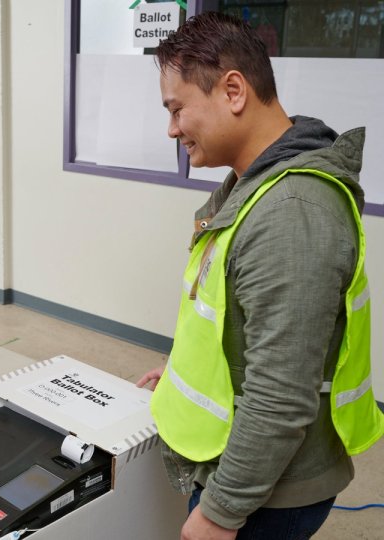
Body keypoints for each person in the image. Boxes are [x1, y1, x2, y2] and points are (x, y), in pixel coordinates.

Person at [136, 11, 383, 540]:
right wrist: (185, 374)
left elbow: (280, 395)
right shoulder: (251, 187)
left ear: (232, 90)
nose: (171, 128)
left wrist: (220, 513)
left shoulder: (291, 210)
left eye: (177, 109)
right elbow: (238, 323)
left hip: (266, 498)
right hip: (252, 475)